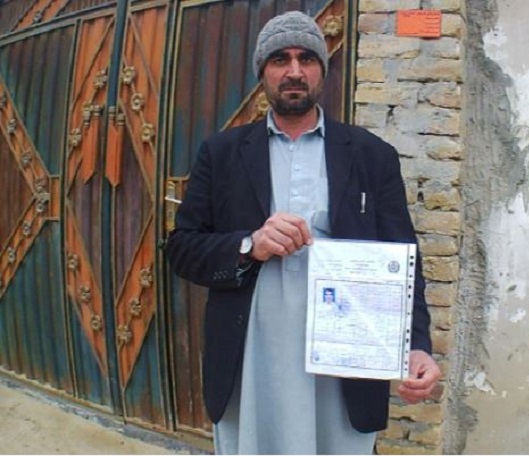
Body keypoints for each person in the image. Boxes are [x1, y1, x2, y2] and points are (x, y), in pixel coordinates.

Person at [166, 10, 441, 455]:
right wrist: (248, 245)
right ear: (262, 72)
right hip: (254, 345)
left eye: (306, 59)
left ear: (322, 71)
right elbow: (181, 248)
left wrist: (416, 346)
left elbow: (402, 257)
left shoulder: (373, 155)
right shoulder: (221, 153)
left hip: (344, 347)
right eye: (280, 59)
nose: (294, 71)